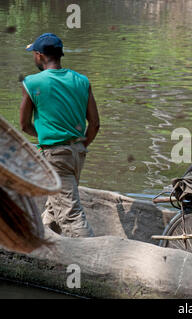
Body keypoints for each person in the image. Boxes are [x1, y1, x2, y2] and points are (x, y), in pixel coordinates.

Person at [19, 33, 100, 238]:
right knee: (55, 208)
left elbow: (24, 125)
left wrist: (49, 137)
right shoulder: (81, 80)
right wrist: (79, 145)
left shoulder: (32, 83)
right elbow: (95, 124)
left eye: (33, 54)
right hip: (77, 155)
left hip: (55, 156)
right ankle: (41, 244)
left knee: (71, 215)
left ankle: (91, 257)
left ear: (39, 55)